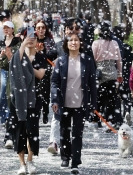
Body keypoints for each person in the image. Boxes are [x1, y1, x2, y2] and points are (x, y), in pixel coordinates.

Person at [50, 32, 97, 174]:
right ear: (66, 44)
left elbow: (92, 84)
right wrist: (55, 99)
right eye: (71, 40)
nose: (74, 43)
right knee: (64, 131)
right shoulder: (61, 61)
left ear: (80, 43)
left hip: (81, 103)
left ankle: (76, 161)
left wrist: (93, 104)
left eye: (76, 40)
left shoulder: (87, 60)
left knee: (77, 133)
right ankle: (65, 157)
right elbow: (54, 81)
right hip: (64, 102)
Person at [9, 28, 47, 175]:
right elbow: (13, 65)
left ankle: (30, 160)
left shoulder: (40, 57)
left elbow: (40, 75)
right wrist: (23, 46)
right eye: (28, 38)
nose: (31, 40)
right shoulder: (18, 55)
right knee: (19, 130)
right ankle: (22, 164)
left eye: (33, 38)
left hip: (34, 98)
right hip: (18, 100)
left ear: (37, 41)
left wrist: (29, 64)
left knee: (32, 130)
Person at [47, 17, 81, 155]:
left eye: (76, 29)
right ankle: (54, 142)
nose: (73, 31)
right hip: (60, 88)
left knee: (74, 122)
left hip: (77, 90)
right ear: (65, 30)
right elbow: (47, 57)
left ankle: (70, 146)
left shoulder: (82, 47)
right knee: (57, 116)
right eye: (70, 28)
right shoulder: (59, 45)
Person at [92, 21, 123, 130]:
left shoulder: (96, 43)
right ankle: (110, 121)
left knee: (98, 98)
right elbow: (119, 60)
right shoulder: (114, 43)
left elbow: (93, 59)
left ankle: (97, 119)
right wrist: (120, 73)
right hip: (112, 73)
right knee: (111, 99)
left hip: (100, 73)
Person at [0, 21, 22, 148]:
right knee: (3, 95)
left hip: (14, 73)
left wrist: (9, 55)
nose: (6, 30)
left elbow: (18, 58)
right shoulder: (1, 42)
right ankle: (5, 118)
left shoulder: (17, 41)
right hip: (4, 71)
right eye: (4, 28)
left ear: (12, 29)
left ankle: (11, 127)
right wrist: (1, 56)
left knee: (12, 98)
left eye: (8, 28)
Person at [35, 20, 57, 124]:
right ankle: (37, 112)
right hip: (34, 69)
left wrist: (43, 52)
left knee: (45, 92)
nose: (41, 30)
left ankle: (45, 112)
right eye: (38, 28)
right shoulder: (32, 40)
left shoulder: (49, 40)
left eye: (43, 27)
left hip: (46, 69)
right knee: (36, 92)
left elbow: (54, 53)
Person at [113, 26, 133, 119]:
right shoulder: (127, 47)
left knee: (116, 97)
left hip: (116, 74)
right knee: (126, 96)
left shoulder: (112, 48)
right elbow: (132, 62)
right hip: (126, 74)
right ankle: (127, 113)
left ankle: (117, 117)